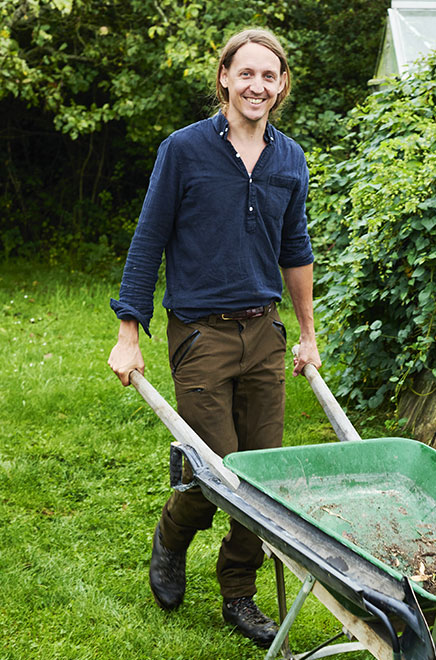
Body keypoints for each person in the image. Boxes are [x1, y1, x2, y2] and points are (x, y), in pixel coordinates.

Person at [107, 28, 321, 649]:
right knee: (220, 473)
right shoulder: (185, 150)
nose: (258, 86)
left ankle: (238, 592)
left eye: (270, 76)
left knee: (260, 476)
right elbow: (149, 239)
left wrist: (306, 334)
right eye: (246, 73)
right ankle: (173, 534)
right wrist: (129, 331)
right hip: (201, 334)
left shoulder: (290, 159)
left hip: (265, 332)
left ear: (281, 87)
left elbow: (295, 249)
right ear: (224, 77)